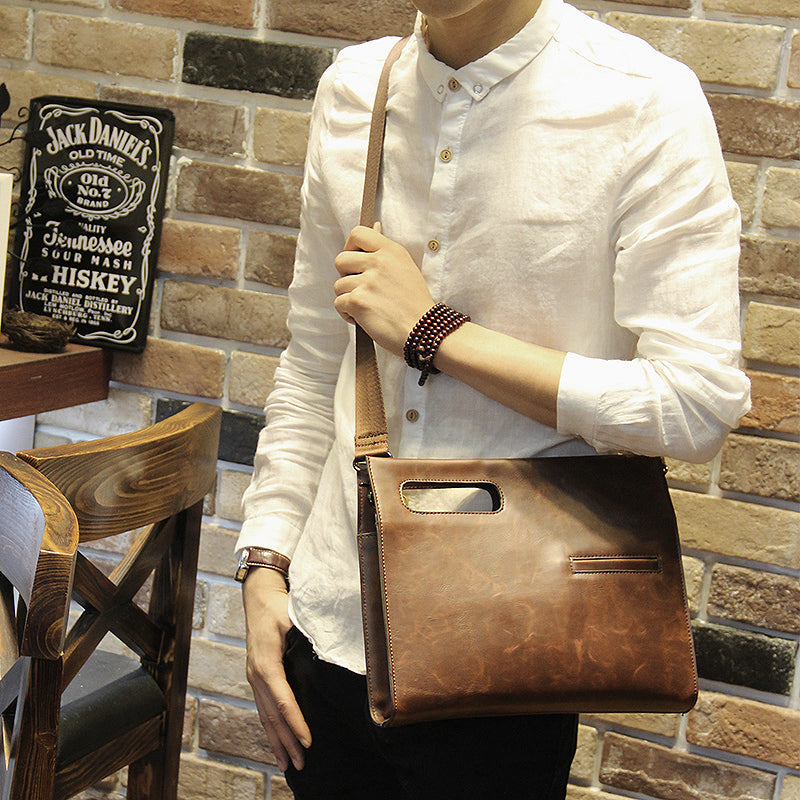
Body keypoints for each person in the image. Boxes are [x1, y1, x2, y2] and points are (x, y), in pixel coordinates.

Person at [237, 0, 751, 796]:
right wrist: (264, 565)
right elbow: (313, 361)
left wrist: (434, 332)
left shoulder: (642, 101)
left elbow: (696, 402)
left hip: (507, 657)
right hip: (325, 627)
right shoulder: (355, 88)